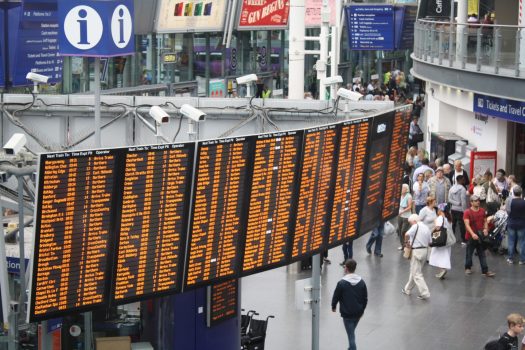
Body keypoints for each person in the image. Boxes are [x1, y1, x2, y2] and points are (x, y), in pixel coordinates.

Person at [331, 259, 368, 350]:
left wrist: (333, 306)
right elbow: (365, 298)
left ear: (346, 269)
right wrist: (362, 310)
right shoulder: (361, 282)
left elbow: (336, 296)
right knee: (351, 332)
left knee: (351, 336)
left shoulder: (341, 283)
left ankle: (352, 348)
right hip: (358, 313)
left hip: (347, 314)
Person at [463, 195, 496, 277]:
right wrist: (472, 234)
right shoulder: (467, 212)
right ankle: (468, 267)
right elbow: (467, 225)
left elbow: (485, 221)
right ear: (471, 202)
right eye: (475, 200)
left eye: (478, 200)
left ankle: (485, 271)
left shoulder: (482, 211)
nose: (478, 202)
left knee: (482, 254)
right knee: (469, 253)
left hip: (480, 236)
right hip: (471, 237)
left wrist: (486, 229)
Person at [402, 214, 432, 300]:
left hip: (417, 251)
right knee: (414, 271)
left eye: (410, 223)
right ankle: (407, 289)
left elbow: (406, 234)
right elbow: (430, 241)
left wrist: (406, 242)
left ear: (414, 221)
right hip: (424, 251)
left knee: (417, 274)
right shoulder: (426, 227)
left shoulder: (415, 226)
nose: (411, 224)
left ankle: (425, 293)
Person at [429, 204, 452, 279]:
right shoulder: (448, 218)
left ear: (441, 210)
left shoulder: (440, 218)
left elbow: (438, 228)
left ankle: (442, 270)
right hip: (447, 240)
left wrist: (434, 223)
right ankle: (442, 270)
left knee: (437, 255)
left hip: (440, 240)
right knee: (445, 255)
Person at [506, 186, 525, 265]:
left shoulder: (510, 201)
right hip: (521, 224)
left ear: (513, 192)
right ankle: (522, 259)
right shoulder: (524, 202)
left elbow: (508, 212)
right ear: (521, 193)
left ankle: (510, 258)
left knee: (511, 241)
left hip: (511, 223)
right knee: (522, 242)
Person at [449, 174, 468, 245]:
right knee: (462, 225)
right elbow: (463, 201)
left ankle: (451, 239)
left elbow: (449, 199)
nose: (464, 180)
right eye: (463, 179)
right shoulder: (463, 189)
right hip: (460, 210)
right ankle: (464, 240)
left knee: (453, 224)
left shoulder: (451, 188)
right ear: (460, 180)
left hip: (453, 209)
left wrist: (456, 203)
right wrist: (465, 210)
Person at [397, 184, 413, 250]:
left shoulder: (409, 196)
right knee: (399, 230)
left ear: (406, 189)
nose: (401, 189)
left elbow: (409, 207)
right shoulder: (400, 196)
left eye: (403, 188)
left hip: (406, 217)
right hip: (400, 216)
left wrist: (402, 211)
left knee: (403, 231)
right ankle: (403, 245)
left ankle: (406, 245)